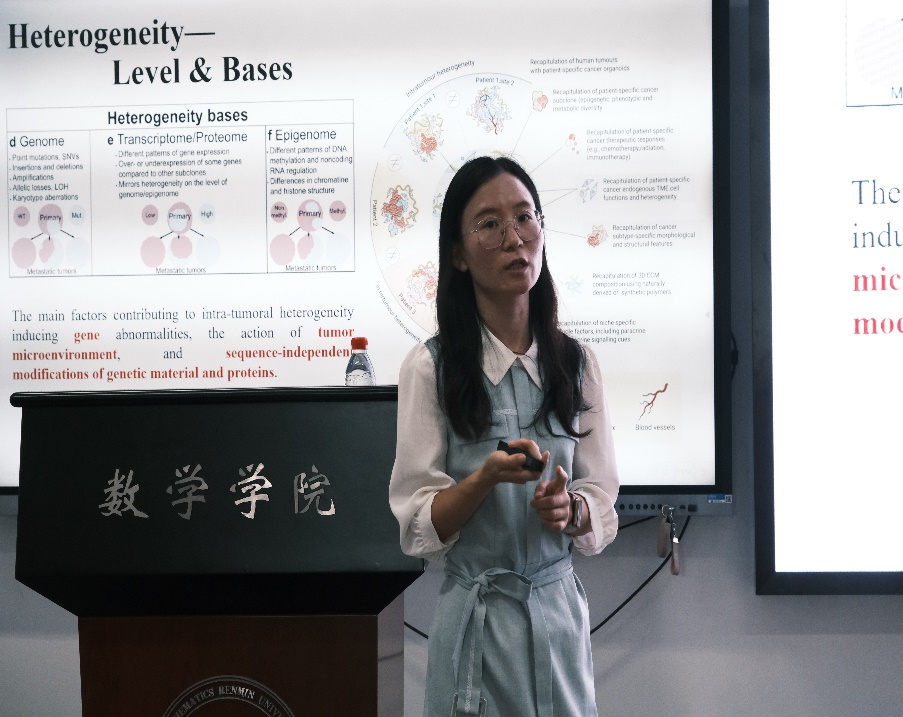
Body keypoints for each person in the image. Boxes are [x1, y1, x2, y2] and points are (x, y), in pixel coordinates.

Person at [389, 155, 619, 717]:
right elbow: (419, 527)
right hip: (476, 621)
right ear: (459, 255)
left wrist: (570, 510)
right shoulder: (431, 368)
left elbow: (600, 498)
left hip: (556, 617)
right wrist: (484, 479)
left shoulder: (578, 364)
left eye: (525, 217)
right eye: (490, 224)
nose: (515, 238)